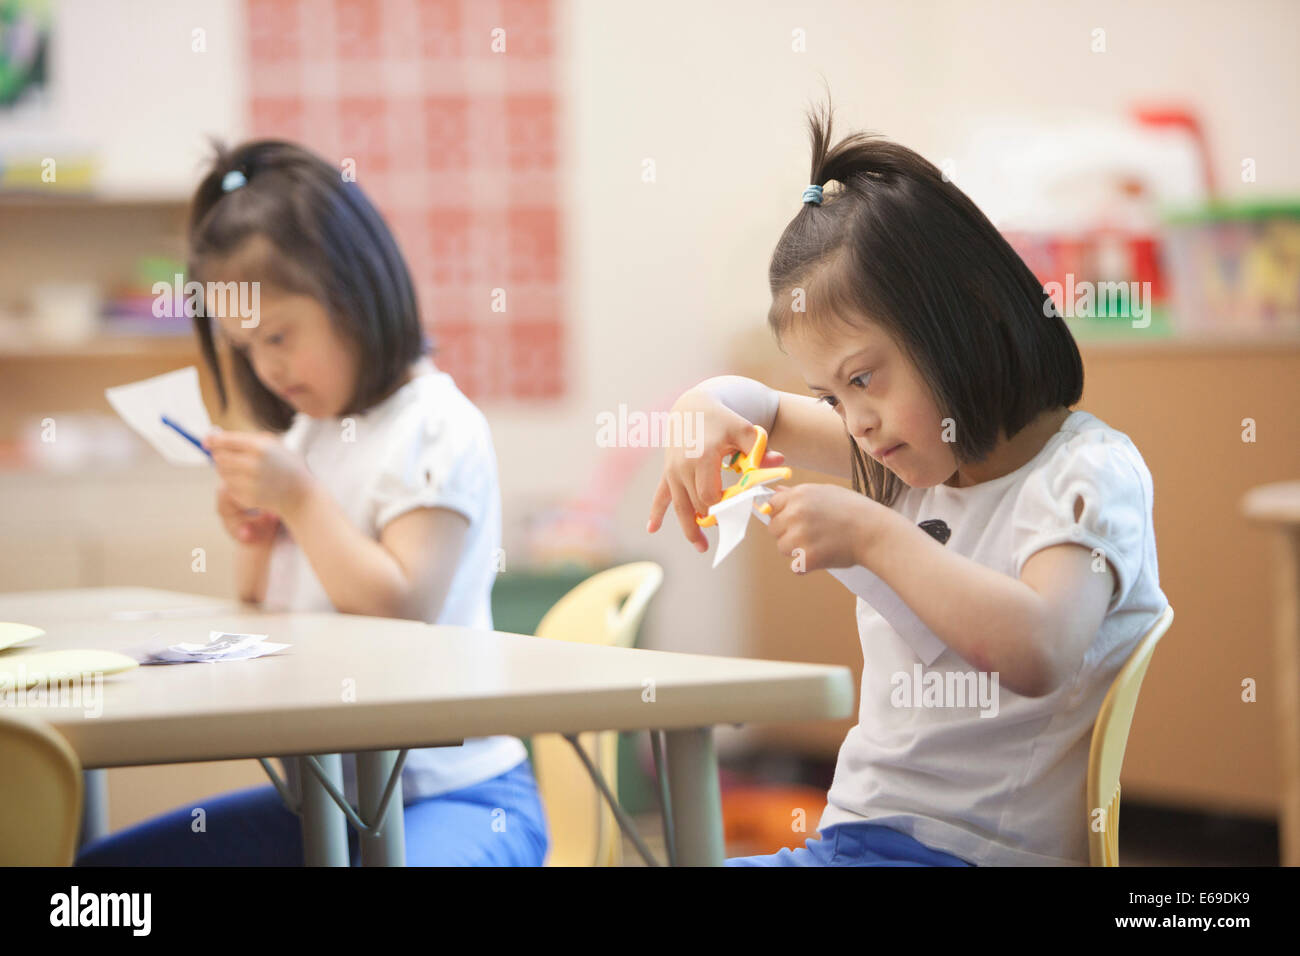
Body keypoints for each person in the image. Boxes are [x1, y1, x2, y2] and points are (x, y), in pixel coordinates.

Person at [648, 101, 1169, 866]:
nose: (855, 422)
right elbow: (756, 407)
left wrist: (874, 537)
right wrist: (704, 408)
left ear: (967, 316)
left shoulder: (1085, 475)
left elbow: (1041, 648)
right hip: (863, 839)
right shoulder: (914, 457)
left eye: (862, 378)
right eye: (832, 397)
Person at [76, 140, 548, 867]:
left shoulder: (435, 424)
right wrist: (259, 527)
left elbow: (400, 606)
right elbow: (255, 602)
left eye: (279, 336)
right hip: (329, 805)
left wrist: (298, 499)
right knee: (102, 880)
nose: (266, 365)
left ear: (355, 294)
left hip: (458, 796)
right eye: (244, 346)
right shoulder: (312, 432)